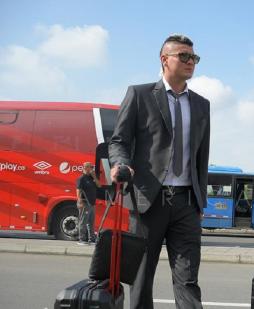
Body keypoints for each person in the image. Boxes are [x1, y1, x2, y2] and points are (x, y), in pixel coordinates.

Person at [109, 34, 210, 309]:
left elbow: (202, 155)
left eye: (195, 58)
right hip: (147, 201)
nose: (191, 62)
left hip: (187, 203)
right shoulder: (139, 94)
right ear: (165, 59)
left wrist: (201, 199)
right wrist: (120, 163)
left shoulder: (202, 104)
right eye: (185, 57)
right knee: (141, 277)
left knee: (188, 278)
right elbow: (119, 140)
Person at [76, 162, 100, 245]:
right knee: (83, 221)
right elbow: (78, 190)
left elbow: (99, 185)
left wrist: (94, 177)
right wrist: (79, 201)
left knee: (91, 222)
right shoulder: (81, 178)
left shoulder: (91, 177)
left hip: (92, 203)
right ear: (85, 168)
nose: (92, 168)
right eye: (91, 167)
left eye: (92, 167)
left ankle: (92, 239)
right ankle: (81, 239)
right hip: (84, 202)